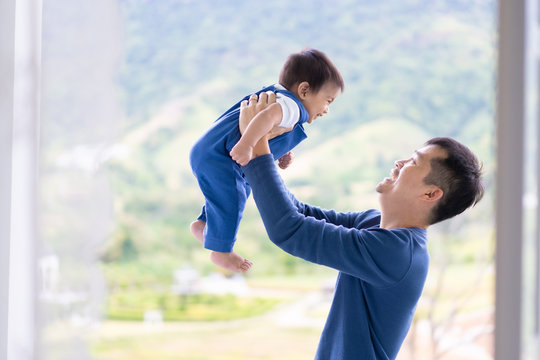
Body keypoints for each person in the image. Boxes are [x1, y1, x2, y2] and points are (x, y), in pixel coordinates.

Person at [239, 93, 485, 359]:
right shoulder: (375, 225)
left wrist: (255, 145)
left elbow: (290, 231)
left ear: (430, 194)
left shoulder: (397, 253)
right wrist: (263, 144)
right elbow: (300, 214)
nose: (399, 163)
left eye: (413, 162)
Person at [189, 48, 345, 273]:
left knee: (229, 192)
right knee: (233, 197)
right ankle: (221, 250)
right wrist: (247, 144)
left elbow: (270, 128)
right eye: (327, 101)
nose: (327, 110)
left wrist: (280, 152)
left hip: (208, 150)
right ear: (304, 90)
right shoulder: (293, 106)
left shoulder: (278, 96)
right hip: (221, 156)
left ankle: (204, 224)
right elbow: (266, 117)